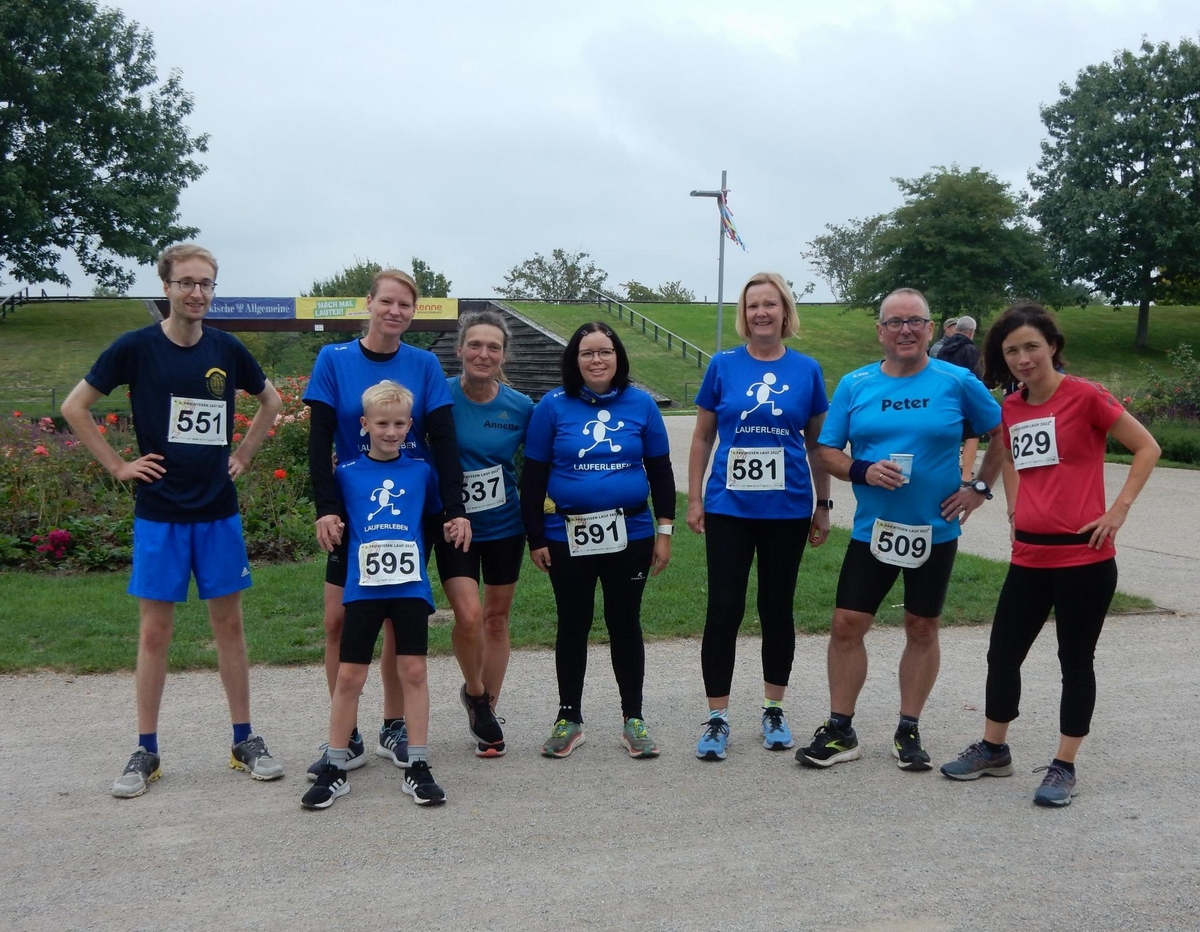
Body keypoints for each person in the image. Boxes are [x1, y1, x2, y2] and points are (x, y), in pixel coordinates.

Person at [61, 243, 285, 798]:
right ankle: (146, 749)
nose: (197, 293)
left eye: (206, 283)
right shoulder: (136, 348)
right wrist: (117, 465)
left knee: (228, 627)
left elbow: (272, 402)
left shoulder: (227, 349)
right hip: (159, 513)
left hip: (216, 512)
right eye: (186, 282)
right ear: (166, 288)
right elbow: (74, 406)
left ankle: (243, 738)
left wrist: (245, 455)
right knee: (155, 632)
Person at [940, 302, 1159, 807]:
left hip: (1085, 557)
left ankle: (1064, 765)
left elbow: (1147, 447)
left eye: (1031, 347)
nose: (1022, 358)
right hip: (1030, 557)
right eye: (1012, 350)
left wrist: (1117, 511)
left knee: (1074, 661)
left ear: (1053, 347)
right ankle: (994, 750)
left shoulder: (1086, 397)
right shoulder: (1012, 407)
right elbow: (1012, 459)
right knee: (1002, 655)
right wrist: (1017, 512)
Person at [796, 287, 1003, 771]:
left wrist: (979, 488)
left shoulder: (957, 380)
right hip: (875, 529)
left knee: (922, 625)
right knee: (847, 623)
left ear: (932, 330)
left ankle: (908, 728)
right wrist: (862, 470)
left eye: (915, 321)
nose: (905, 330)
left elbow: (1004, 432)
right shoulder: (856, 383)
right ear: (880, 332)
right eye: (895, 322)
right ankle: (840, 729)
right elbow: (826, 450)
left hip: (936, 530)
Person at [303, 270, 469, 780]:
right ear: (369, 304)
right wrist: (325, 507)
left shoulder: (423, 364)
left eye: (405, 305)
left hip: (410, 505)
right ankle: (345, 732)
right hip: (354, 507)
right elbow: (319, 440)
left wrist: (454, 506)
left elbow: (443, 440)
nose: (395, 311)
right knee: (337, 620)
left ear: (413, 312)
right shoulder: (333, 359)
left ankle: (394, 725)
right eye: (387, 302)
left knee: (401, 619)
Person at [686, 272, 832, 761]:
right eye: (752, 306)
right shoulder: (723, 366)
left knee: (777, 608)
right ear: (743, 315)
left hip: (787, 507)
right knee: (724, 608)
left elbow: (818, 446)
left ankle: (773, 707)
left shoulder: (807, 370)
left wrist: (823, 504)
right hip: (729, 507)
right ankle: (717, 716)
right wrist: (695, 498)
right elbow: (703, 436)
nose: (761, 313)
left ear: (785, 311)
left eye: (770, 304)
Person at [521, 322, 675, 759]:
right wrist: (535, 537)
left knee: (625, 622)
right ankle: (569, 717)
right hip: (566, 535)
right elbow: (532, 479)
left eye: (604, 351)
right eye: (586, 353)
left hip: (632, 532)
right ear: (574, 359)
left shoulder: (641, 404)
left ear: (618, 357)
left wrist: (665, 531)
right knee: (573, 623)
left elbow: (661, 472)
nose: (596, 360)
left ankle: (634, 719)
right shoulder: (552, 406)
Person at [302, 381, 455, 809]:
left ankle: (418, 765)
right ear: (364, 425)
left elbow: (432, 517)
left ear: (410, 425)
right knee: (350, 675)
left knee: (415, 673)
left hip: (408, 588)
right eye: (382, 423)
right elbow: (334, 519)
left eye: (400, 423)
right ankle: (335, 764)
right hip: (363, 588)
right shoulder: (346, 474)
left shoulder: (422, 471)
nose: (391, 431)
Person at [435, 309, 534, 757]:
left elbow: (538, 468)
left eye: (493, 346)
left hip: (504, 526)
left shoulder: (520, 407)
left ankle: (486, 714)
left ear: (503, 355)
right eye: (475, 344)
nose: (483, 353)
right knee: (469, 616)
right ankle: (474, 693)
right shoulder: (438, 397)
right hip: (455, 527)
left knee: (496, 619)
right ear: (460, 350)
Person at [937, 315, 984, 481]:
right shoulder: (971, 351)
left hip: (945, 400)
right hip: (967, 401)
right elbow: (976, 378)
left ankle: (948, 471)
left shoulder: (943, 350)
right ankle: (966, 476)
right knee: (972, 436)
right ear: (971, 332)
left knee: (951, 435)